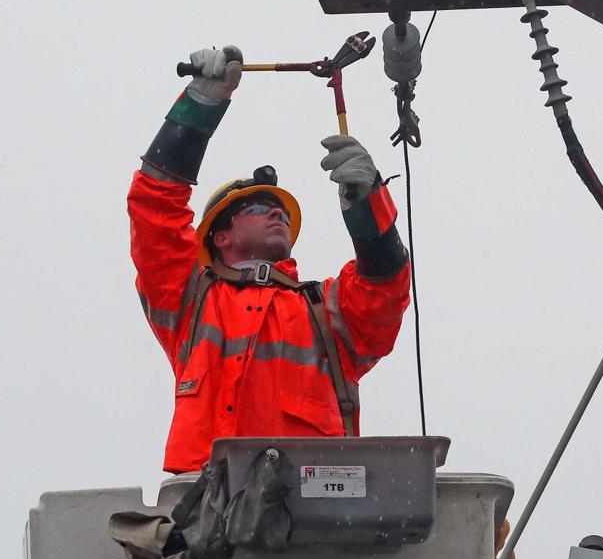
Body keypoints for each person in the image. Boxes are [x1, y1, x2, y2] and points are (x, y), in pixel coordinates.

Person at [128, 45, 410, 474]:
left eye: (279, 209)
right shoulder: (191, 299)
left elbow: (385, 287)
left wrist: (369, 201)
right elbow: (154, 207)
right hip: (210, 506)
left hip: (313, 510)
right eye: (258, 208)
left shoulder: (324, 309)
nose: (276, 212)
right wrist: (200, 106)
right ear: (220, 236)